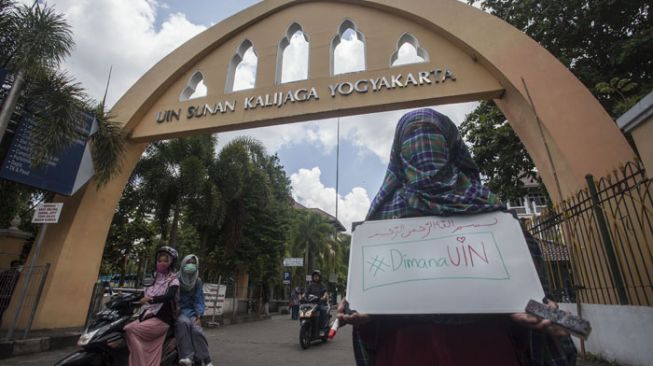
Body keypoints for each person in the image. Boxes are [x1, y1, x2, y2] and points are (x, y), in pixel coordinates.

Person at [336, 108, 577, 366]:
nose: (423, 145)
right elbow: (371, 300)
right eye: (412, 136)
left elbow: (537, 296)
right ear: (400, 150)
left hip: (487, 350)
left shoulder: (492, 212)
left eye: (433, 136)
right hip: (405, 351)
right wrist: (358, 309)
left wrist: (547, 316)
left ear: (450, 145)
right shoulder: (380, 222)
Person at [124, 246, 179, 366]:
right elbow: (142, 294)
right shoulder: (153, 278)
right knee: (124, 328)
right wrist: (124, 297)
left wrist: (151, 299)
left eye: (165, 260)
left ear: (171, 262)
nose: (162, 263)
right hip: (147, 316)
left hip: (161, 320)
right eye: (160, 260)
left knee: (131, 330)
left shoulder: (173, 280)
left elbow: (169, 296)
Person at [176, 254, 213, 366]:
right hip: (179, 311)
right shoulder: (176, 279)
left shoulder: (197, 281)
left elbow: (199, 299)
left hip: (192, 312)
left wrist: (199, 315)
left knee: (196, 330)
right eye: (188, 263)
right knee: (183, 323)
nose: (190, 265)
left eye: (193, 263)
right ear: (183, 264)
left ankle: (206, 359)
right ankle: (187, 356)